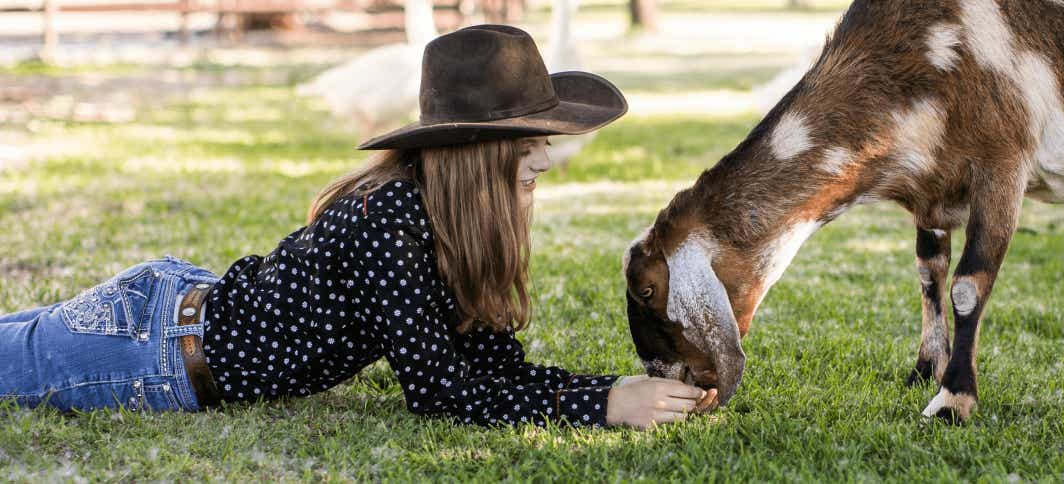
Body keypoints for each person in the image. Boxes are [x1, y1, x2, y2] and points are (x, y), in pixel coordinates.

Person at [0, 25, 716, 429]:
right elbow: (439, 395)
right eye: (529, 164)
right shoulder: (389, 222)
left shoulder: (447, 226)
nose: (544, 175)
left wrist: (623, 389)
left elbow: (491, 371)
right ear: (479, 166)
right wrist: (603, 407)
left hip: (181, 303)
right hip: (149, 349)